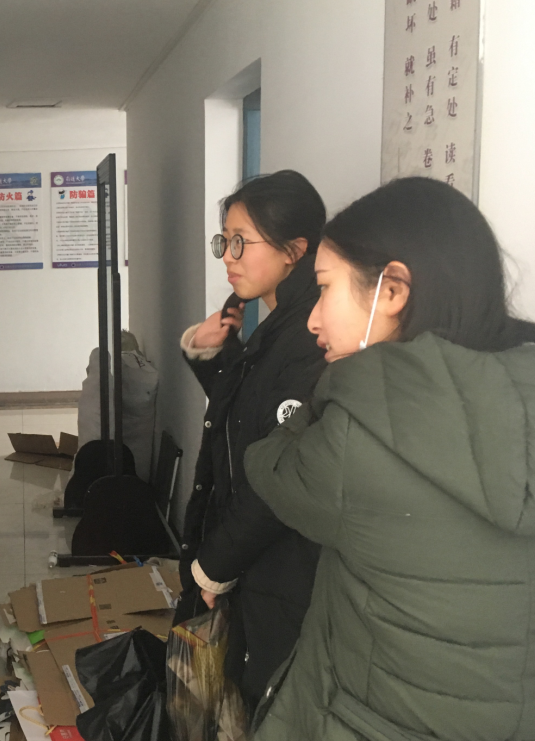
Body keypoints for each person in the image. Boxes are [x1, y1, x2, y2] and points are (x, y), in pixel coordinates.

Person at [245, 177, 535, 740]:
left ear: (394, 289)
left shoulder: (357, 434)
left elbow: (269, 465)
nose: (313, 319)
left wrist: (330, 391)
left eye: (324, 289)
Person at [176, 170, 327, 713]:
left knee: (263, 701)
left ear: (294, 251)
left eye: (241, 242)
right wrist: (212, 353)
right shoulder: (278, 321)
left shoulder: (310, 336)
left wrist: (214, 564)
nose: (228, 257)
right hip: (254, 563)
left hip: (281, 569)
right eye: (225, 241)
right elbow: (247, 418)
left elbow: (278, 474)